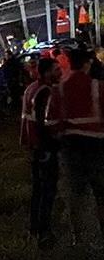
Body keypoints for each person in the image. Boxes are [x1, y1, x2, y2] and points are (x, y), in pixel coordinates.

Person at [55, 48, 104, 246]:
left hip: (70, 146)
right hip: (96, 144)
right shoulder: (97, 86)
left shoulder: (60, 88)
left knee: (75, 193)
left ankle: (78, 238)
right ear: (86, 64)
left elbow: (54, 119)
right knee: (101, 192)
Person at [20, 58, 62, 248]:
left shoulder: (31, 88)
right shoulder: (45, 91)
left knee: (38, 189)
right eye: (56, 69)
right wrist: (51, 145)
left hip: (33, 145)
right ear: (46, 73)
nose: (60, 72)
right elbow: (43, 122)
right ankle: (44, 232)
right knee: (47, 190)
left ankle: (34, 227)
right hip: (43, 147)